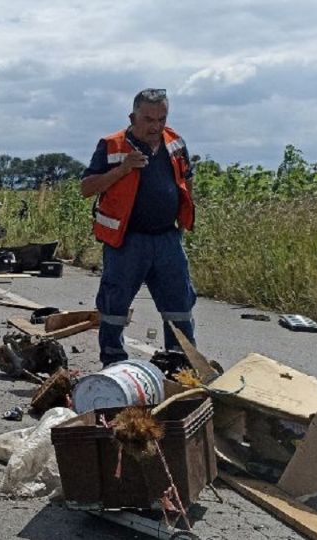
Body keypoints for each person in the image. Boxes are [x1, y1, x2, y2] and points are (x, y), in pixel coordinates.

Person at [80, 88, 197, 366]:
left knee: (179, 306)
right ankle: (114, 365)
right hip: (126, 241)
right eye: (148, 119)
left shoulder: (175, 143)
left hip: (167, 239)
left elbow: (187, 179)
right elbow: (86, 188)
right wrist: (124, 169)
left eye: (161, 119)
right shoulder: (111, 145)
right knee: (114, 307)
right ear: (133, 117)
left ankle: (181, 366)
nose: (156, 126)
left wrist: (182, 219)